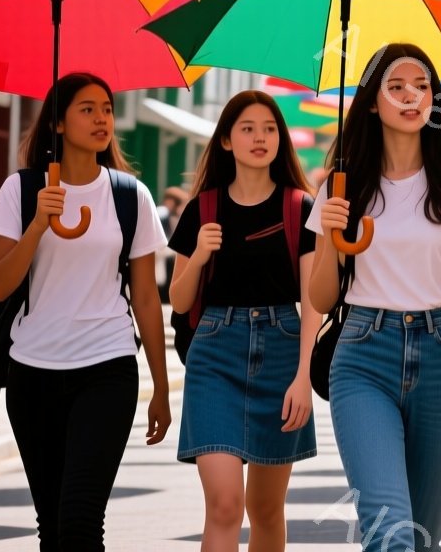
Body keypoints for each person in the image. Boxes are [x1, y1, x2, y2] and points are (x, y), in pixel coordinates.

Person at [307, 43, 441, 552]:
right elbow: (322, 297)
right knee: (390, 534)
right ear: (372, 102)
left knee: (424, 539)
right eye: (396, 87)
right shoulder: (343, 187)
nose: (412, 96)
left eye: (422, 86)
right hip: (363, 355)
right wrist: (328, 235)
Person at [0, 73, 172, 550]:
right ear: (59, 123)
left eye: (106, 108)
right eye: (87, 109)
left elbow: (147, 299)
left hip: (107, 368)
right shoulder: (20, 191)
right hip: (32, 372)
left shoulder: (131, 196)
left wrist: (161, 388)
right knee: (52, 526)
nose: (101, 118)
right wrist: (37, 226)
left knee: (80, 520)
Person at [168, 90, 320, 551]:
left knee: (268, 510)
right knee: (224, 505)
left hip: (282, 353)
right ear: (228, 141)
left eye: (270, 129)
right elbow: (177, 300)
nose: (260, 138)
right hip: (215, 355)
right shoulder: (202, 209)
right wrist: (197, 257)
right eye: (248, 129)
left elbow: (314, 302)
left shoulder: (300, 207)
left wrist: (304, 378)